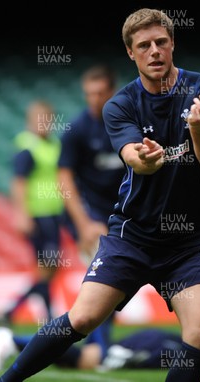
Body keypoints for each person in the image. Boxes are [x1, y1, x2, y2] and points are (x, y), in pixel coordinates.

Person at [0, 8, 200, 382]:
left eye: (161, 42)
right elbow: (136, 160)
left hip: (189, 241)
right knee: (82, 318)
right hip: (132, 236)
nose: (154, 51)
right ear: (130, 53)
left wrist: (199, 128)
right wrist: (147, 158)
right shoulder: (120, 105)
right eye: (144, 45)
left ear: (173, 45)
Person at [0, 302, 200, 373]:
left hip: (159, 345)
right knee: (93, 358)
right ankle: (12, 340)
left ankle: (3, 339)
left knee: (88, 359)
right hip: (159, 345)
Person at [56, 64, 125, 359]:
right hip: (89, 215)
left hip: (122, 215)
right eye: (89, 94)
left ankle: (99, 346)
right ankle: (102, 348)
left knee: (116, 280)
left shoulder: (127, 123)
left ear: (112, 91)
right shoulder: (77, 130)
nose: (94, 99)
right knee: (106, 274)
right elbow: (65, 179)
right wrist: (84, 223)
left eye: (100, 93)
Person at [0, 100, 65, 325]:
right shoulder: (27, 145)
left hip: (54, 212)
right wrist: (21, 214)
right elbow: (18, 182)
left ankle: (17, 311)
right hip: (38, 213)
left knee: (48, 269)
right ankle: (43, 315)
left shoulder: (54, 144)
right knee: (48, 266)